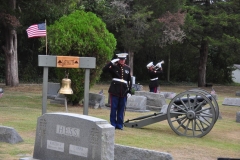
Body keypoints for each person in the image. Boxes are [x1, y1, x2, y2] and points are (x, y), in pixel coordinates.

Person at [102, 53, 132, 130]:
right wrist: (111, 62)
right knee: (114, 108)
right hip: (115, 90)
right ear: (118, 60)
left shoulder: (127, 68)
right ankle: (113, 124)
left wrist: (129, 91)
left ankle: (119, 124)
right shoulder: (113, 67)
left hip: (124, 91)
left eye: (124, 59)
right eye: (121, 59)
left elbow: (129, 80)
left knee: (121, 109)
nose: (122, 61)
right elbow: (104, 70)